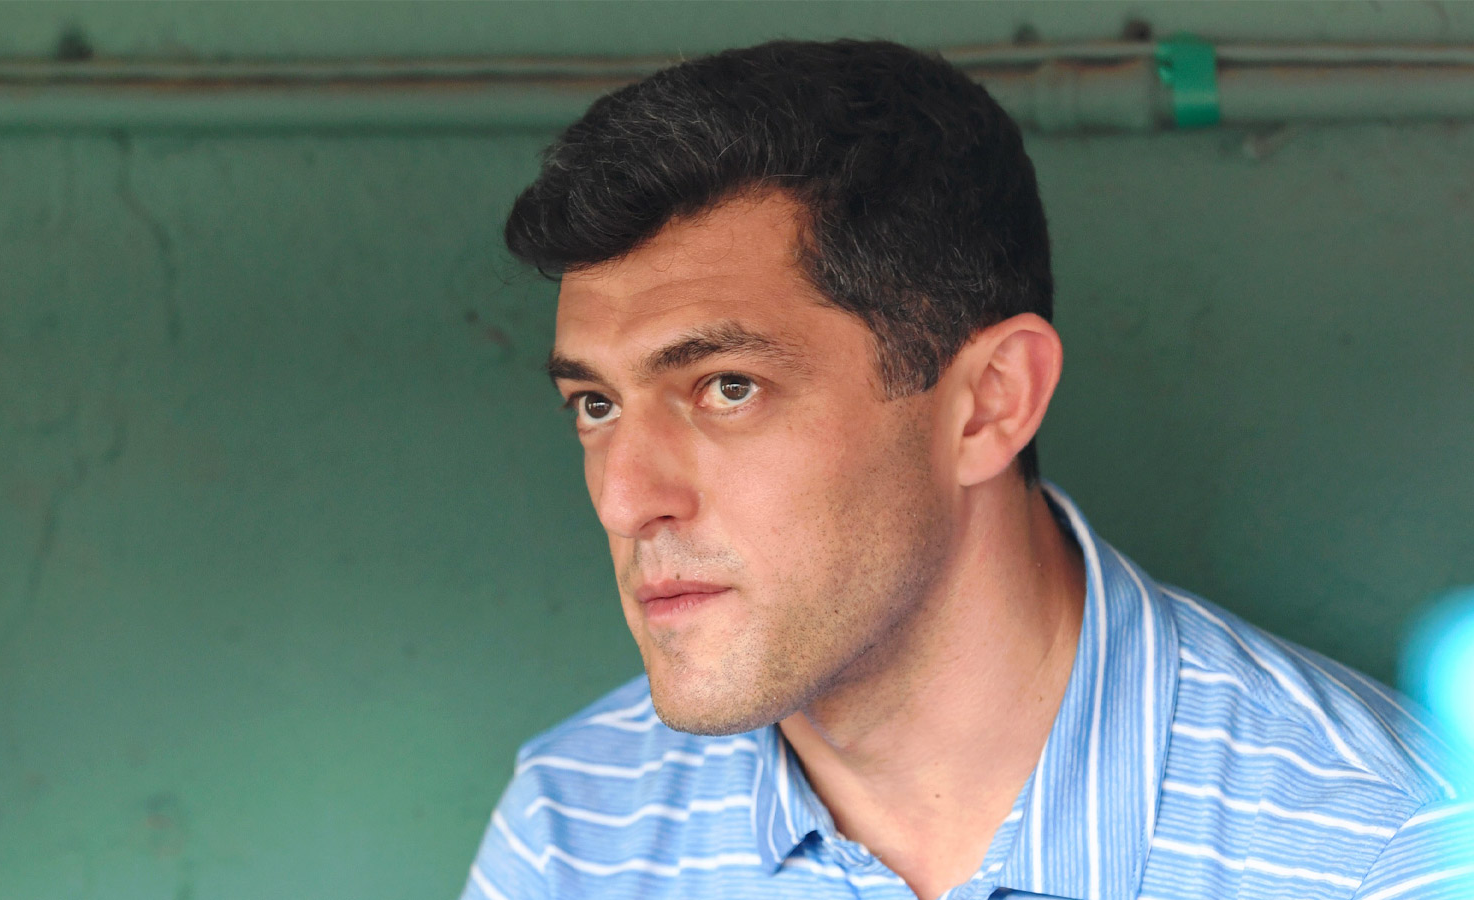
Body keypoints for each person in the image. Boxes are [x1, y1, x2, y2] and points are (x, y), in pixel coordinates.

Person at [461, 39, 1473, 900]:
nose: (624, 497)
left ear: (990, 402)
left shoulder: (1380, 850)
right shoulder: (579, 829)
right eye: (594, 406)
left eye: (727, 387)